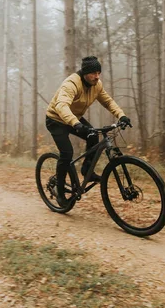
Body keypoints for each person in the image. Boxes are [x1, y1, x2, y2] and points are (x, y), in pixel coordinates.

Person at [46, 56, 132, 207]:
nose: (97, 76)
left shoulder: (96, 85)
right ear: (85, 72)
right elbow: (61, 106)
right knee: (66, 153)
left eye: (99, 72)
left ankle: (87, 170)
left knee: (93, 136)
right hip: (56, 120)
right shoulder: (71, 84)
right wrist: (76, 124)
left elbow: (108, 101)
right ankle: (59, 190)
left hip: (74, 118)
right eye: (93, 73)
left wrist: (121, 115)